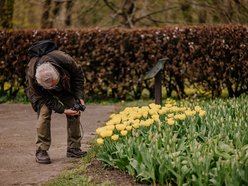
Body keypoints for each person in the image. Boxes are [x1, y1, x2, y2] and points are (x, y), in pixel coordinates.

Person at [26, 40, 86, 164]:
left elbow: (78, 76)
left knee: (75, 109)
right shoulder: (33, 76)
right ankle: (41, 150)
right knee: (44, 113)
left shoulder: (64, 60)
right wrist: (62, 110)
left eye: (53, 85)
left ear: (57, 73)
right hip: (42, 93)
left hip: (62, 85)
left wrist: (79, 96)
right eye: (50, 87)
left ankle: (74, 148)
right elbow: (45, 98)